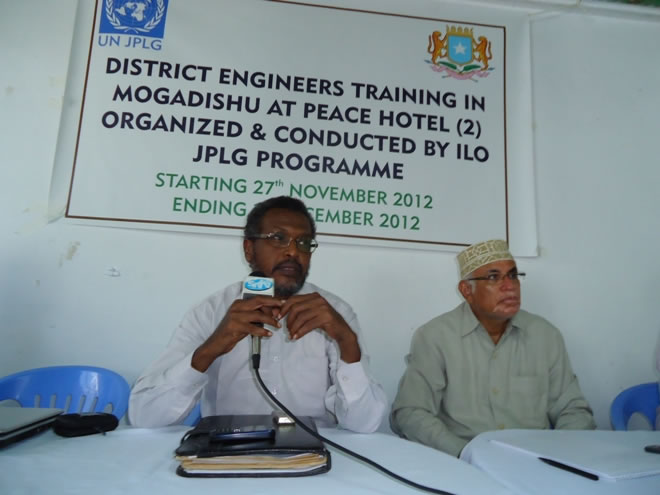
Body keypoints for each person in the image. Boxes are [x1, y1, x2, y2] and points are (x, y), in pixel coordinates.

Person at [129, 195, 387, 432]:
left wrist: (347, 343)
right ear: (249, 250)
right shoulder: (211, 311)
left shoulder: (335, 313)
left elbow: (365, 425)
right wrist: (210, 349)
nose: (293, 251)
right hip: (229, 450)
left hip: (313, 451)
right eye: (278, 238)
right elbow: (145, 416)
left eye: (304, 242)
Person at [390, 239, 596, 456]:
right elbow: (410, 413)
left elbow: (573, 410)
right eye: (493, 277)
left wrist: (559, 457)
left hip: (534, 460)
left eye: (513, 276)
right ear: (466, 291)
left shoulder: (545, 336)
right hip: (462, 462)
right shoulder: (435, 337)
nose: (509, 286)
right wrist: (466, 454)